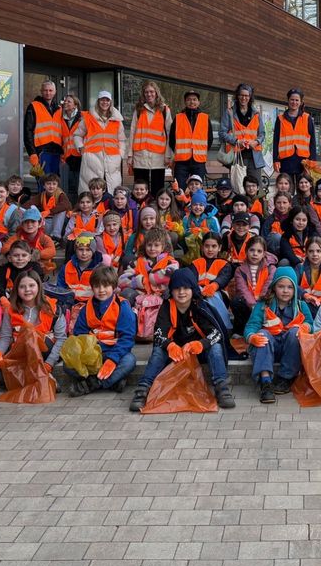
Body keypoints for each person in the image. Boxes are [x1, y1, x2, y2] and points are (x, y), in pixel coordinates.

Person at [130, 268, 233, 411]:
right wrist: (170, 345)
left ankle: (222, 388)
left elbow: (216, 334)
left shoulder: (200, 306)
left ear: (193, 289)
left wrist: (201, 344)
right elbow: (159, 334)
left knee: (215, 347)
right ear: (171, 291)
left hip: (197, 352)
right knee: (158, 351)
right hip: (175, 353)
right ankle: (142, 390)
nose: (181, 292)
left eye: (186, 288)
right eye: (177, 288)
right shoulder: (166, 307)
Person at [63, 265, 137, 394]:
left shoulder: (122, 306)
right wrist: (85, 356)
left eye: (105, 286)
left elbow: (127, 338)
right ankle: (112, 381)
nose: (101, 290)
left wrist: (113, 360)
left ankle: (92, 384)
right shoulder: (86, 308)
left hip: (114, 351)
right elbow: (79, 335)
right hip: (92, 355)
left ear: (114, 287)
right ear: (92, 288)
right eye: (97, 286)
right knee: (67, 364)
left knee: (129, 361)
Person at [246, 265, 313, 403]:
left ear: (295, 289)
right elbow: (251, 326)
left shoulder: (301, 306)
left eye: (290, 287)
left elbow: (311, 325)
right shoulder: (263, 305)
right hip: (269, 347)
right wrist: (252, 336)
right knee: (262, 334)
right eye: (281, 286)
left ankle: (285, 378)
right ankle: (265, 382)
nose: (285, 291)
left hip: (290, 349)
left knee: (295, 332)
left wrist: (305, 327)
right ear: (274, 287)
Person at [220, 83, 266, 194]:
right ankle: (241, 210)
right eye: (241, 95)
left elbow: (262, 133)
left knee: (255, 188)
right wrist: (236, 141)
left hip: (254, 157)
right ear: (237, 96)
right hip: (237, 157)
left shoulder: (256, 114)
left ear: (250, 97)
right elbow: (222, 133)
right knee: (239, 188)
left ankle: (256, 210)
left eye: (246, 95)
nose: (244, 98)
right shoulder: (229, 112)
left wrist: (256, 142)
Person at [127, 80, 172, 195]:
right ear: (143, 94)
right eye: (146, 92)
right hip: (140, 155)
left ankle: (156, 210)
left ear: (156, 93)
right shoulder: (138, 110)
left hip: (159, 156)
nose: (149, 94)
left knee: (158, 187)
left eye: (151, 91)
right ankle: (141, 209)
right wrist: (130, 155)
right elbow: (132, 132)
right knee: (140, 187)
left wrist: (168, 155)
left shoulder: (164, 110)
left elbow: (169, 133)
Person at [77, 91, 127, 193]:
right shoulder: (88, 118)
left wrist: (120, 154)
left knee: (111, 188)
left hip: (112, 159)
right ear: (98, 101)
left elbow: (122, 140)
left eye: (107, 100)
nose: (105, 102)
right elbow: (77, 135)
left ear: (111, 102)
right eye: (102, 100)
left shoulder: (117, 120)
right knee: (91, 189)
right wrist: (81, 147)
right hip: (92, 159)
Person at [230, 235, 276, 333]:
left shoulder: (271, 268)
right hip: (249, 304)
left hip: (266, 302)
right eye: (252, 250)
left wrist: (261, 304)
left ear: (264, 253)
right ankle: (240, 331)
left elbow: (268, 286)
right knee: (236, 301)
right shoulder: (240, 270)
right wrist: (254, 306)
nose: (255, 254)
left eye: (259, 251)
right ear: (246, 251)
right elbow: (243, 290)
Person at [24, 80, 65, 177]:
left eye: (50, 90)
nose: (48, 93)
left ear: (55, 92)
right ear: (41, 91)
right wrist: (32, 153)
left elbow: (63, 132)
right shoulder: (33, 106)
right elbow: (27, 131)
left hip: (56, 152)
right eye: (45, 90)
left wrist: (64, 152)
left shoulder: (59, 109)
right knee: (44, 182)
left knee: (54, 182)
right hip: (41, 151)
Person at [169, 90, 210, 188]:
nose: (192, 102)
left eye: (194, 99)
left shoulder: (205, 118)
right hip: (181, 162)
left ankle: (197, 204)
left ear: (198, 102)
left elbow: (210, 139)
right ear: (185, 102)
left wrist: (200, 151)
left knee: (197, 190)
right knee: (179, 188)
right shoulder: (178, 118)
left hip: (198, 161)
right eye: (189, 100)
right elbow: (171, 139)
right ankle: (182, 204)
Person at [272, 88, 316, 178]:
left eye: (297, 100)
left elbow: (312, 141)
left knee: (303, 188)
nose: (294, 102)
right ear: (288, 100)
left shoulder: (307, 118)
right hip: (285, 160)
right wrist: (275, 160)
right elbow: (276, 140)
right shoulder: (280, 119)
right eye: (292, 99)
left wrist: (313, 159)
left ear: (301, 102)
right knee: (287, 188)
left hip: (303, 161)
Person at [34, 174, 72, 242]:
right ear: (44, 186)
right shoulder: (42, 195)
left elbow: (67, 205)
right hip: (46, 222)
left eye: (54, 184)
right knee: (32, 208)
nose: (51, 186)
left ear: (57, 185)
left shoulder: (60, 194)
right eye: (48, 184)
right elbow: (28, 204)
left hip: (59, 224)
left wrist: (49, 211)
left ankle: (55, 237)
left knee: (61, 210)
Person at [60, 94, 84, 196]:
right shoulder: (61, 118)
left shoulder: (83, 117)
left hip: (80, 156)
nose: (65, 102)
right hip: (67, 157)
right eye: (65, 101)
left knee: (79, 184)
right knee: (69, 185)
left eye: (69, 101)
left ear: (75, 105)